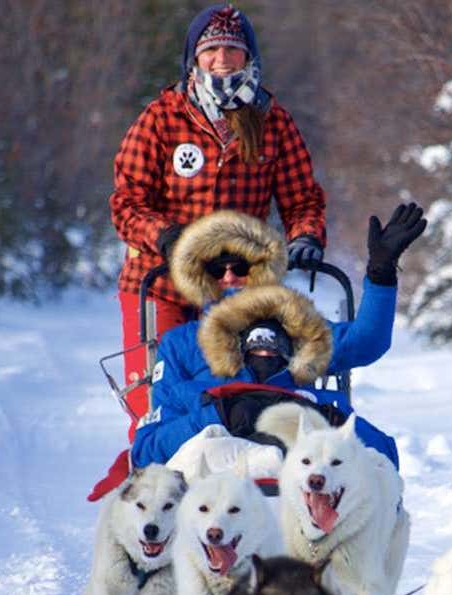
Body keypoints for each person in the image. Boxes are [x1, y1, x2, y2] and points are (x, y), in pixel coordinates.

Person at [111, 4, 328, 441]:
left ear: (250, 59)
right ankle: (156, 480)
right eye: (212, 50)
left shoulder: (271, 121)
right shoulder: (162, 118)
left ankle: (236, 486)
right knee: (162, 398)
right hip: (163, 283)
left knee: (238, 394)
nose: (223, 59)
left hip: (237, 287)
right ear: (194, 58)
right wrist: (164, 236)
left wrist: (305, 237)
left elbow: (303, 199)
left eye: (233, 49)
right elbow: (126, 202)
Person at [127, 203, 427, 476]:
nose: (230, 278)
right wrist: (222, 414)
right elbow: (150, 449)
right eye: (217, 270)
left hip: (296, 452)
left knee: (375, 462)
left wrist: (381, 272)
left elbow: (366, 342)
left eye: (241, 267)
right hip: (212, 470)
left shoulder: (297, 326)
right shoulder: (181, 343)